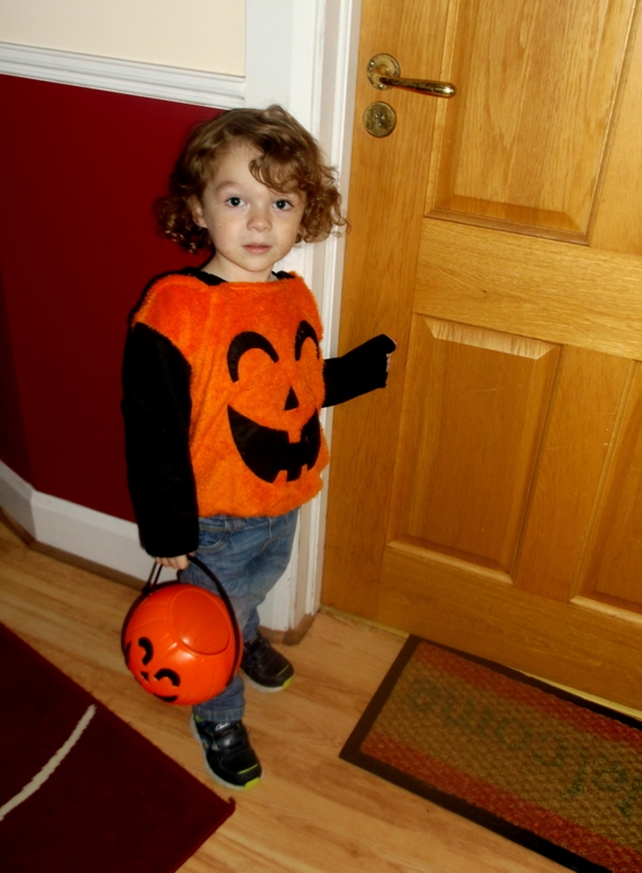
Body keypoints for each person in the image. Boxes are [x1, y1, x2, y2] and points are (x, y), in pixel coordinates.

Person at [122, 104, 395, 791]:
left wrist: (359, 371)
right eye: (237, 199)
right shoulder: (176, 308)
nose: (259, 222)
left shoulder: (293, 295)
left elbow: (289, 391)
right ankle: (217, 711)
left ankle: (243, 634)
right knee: (212, 617)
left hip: (282, 499)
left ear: (306, 214)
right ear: (199, 207)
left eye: (281, 202)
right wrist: (167, 527)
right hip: (212, 516)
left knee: (256, 588)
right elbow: (150, 428)